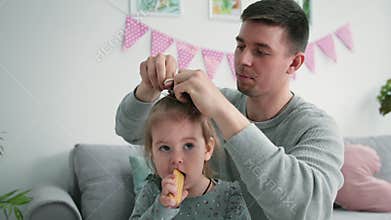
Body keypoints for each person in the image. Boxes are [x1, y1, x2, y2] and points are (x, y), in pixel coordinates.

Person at [116, 0, 344, 219]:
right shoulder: (212, 102)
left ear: (294, 63)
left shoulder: (318, 130)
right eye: (240, 46)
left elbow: (307, 212)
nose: (243, 59)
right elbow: (131, 131)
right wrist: (147, 89)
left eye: (261, 51)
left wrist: (222, 111)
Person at [129, 93, 251, 219]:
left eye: (188, 146)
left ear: (207, 149)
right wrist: (162, 209)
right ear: (152, 154)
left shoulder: (230, 197)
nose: (176, 159)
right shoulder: (152, 190)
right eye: (165, 148)